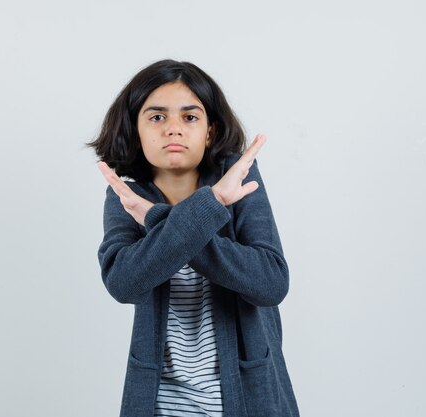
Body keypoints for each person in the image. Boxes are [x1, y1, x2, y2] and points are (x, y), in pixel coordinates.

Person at [88, 59, 299, 417]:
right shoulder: (127, 196)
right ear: (136, 130)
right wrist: (206, 209)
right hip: (159, 403)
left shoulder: (239, 181)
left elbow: (271, 283)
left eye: (189, 117)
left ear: (210, 131)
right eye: (157, 117)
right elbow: (124, 283)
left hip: (247, 399)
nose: (173, 129)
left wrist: (160, 220)